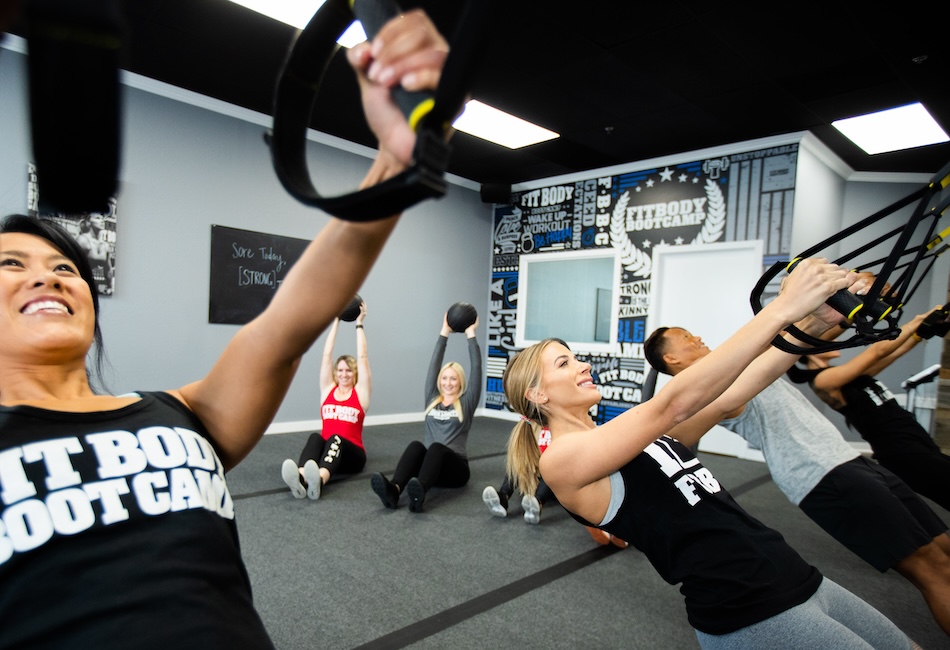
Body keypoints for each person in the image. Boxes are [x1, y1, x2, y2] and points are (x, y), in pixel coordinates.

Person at [0, 10, 448, 648]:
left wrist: (398, 158)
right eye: (11, 264)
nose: (47, 277)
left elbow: (291, 320)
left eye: (65, 267)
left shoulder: (179, 413)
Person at [503, 260, 920, 648]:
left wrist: (813, 322)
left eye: (575, 357)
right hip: (748, 608)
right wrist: (779, 310)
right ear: (537, 394)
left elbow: (736, 390)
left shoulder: (621, 435)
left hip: (794, 574)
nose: (582, 366)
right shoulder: (561, 461)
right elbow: (673, 403)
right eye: (564, 364)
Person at [645, 315, 950, 635]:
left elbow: (801, 338)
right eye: (687, 337)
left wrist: (846, 315)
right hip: (821, 476)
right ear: (671, 358)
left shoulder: (731, 366)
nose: (698, 337)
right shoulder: (705, 388)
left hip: (850, 460)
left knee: (942, 550)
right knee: (931, 568)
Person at [787, 305, 950, 512]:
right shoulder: (823, 381)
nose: (836, 339)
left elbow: (891, 354)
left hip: (916, 442)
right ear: (813, 349)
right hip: (902, 452)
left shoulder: (847, 376)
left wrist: (920, 333)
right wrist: (918, 320)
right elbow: (876, 352)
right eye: (830, 338)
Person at [371, 312, 481, 513]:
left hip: (456, 471)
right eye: (444, 378)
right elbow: (433, 366)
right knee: (416, 446)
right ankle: (394, 489)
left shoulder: (466, 402)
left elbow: (476, 369)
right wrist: (444, 331)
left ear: (460, 382)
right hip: (430, 468)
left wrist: (470, 335)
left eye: (453, 379)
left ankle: (418, 492)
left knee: (437, 448)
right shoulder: (432, 398)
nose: (448, 383)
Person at [281, 303, 371, 500]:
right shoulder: (328, 390)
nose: (343, 374)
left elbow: (362, 357)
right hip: (327, 451)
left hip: (353, 455)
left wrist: (359, 324)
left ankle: (319, 481)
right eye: (340, 370)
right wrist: (336, 321)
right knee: (316, 437)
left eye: (348, 370)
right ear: (335, 373)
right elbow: (326, 356)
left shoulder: (360, 394)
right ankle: (302, 476)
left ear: (354, 373)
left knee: (335, 438)